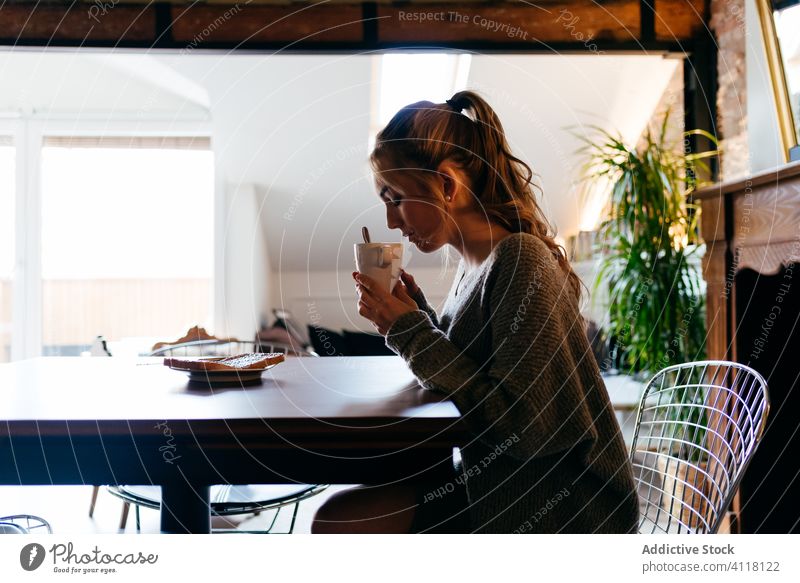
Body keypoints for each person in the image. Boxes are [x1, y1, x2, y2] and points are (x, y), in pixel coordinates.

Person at [312, 90, 639, 534]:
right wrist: (416, 315)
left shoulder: (521, 259)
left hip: (558, 505)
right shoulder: (476, 265)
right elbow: (470, 367)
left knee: (335, 521)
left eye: (395, 197)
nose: (392, 221)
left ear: (447, 185)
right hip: (496, 483)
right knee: (355, 499)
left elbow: (522, 424)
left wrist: (408, 329)